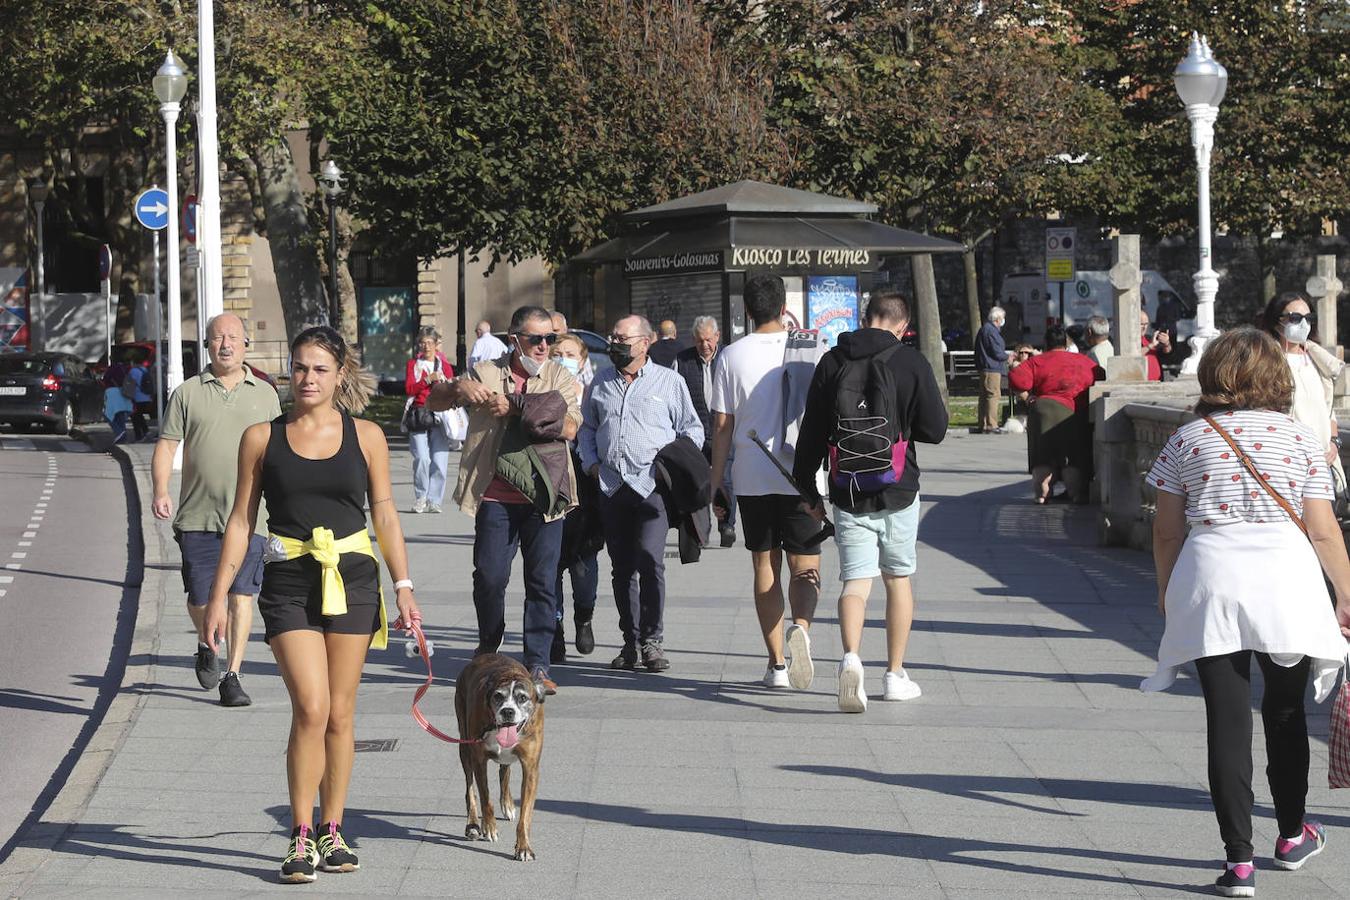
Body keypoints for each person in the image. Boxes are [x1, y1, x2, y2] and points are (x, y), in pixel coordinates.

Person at [202, 325, 420, 882]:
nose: (307, 378)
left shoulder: (366, 435)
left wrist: (404, 586)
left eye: (320, 369)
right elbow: (242, 520)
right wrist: (220, 595)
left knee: (342, 713)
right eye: (300, 367)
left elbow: (386, 514)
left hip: (353, 577)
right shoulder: (262, 438)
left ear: (340, 374)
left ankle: (333, 827)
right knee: (312, 708)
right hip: (289, 582)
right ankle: (300, 838)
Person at [1142, 327, 1350, 897]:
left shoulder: (1187, 440)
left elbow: (1165, 531)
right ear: (1277, 378)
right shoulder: (1302, 440)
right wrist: (1348, 594)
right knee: (1284, 713)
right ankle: (1291, 834)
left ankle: (1238, 862)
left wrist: (1166, 588)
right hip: (1286, 578)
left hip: (1211, 577)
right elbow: (1323, 530)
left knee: (1225, 722)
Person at [793, 288, 947, 712]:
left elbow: (810, 436)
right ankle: (895, 674)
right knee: (898, 579)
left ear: (866, 316)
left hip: (847, 488)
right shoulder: (911, 361)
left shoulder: (833, 360)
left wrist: (808, 488)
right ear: (903, 325)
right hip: (898, 487)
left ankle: (850, 658)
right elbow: (935, 430)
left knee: (856, 582)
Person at [429, 305, 579, 694]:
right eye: (536, 339)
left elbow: (570, 426)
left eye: (551, 339)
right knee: (490, 578)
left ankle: (538, 664)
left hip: (545, 494)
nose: (545, 346)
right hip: (495, 495)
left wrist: (517, 406)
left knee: (542, 581)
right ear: (515, 340)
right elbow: (435, 401)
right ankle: (489, 644)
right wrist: (459, 388)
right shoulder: (488, 372)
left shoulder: (560, 375)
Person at [152, 313, 282, 706]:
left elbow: (280, 453)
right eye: (216, 338)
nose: (225, 344)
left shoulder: (265, 393)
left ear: (246, 344)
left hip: (250, 515)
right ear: (206, 345)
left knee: (242, 596)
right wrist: (160, 488)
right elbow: (167, 445)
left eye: (232, 337)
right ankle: (206, 642)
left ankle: (232, 674)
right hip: (198, 514)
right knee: (202, 599)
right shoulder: (187, 393)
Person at [709, 274, 826, 689]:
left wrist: (716, 480)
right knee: (805, 563)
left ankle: (776, 664)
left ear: (746, 311)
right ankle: (803, 630)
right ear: (784, 309)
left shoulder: (730, 356)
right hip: (804, 474)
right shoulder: (812, 349)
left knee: (765, 564)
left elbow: (722, 425)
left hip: (752, 474)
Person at [580, 315, 703, 672]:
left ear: (645, 343)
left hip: (652, 488)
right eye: (612, 337)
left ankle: (652, 640)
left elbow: (692, 430)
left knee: (651, 560)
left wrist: (673, 464)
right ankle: (630, 642)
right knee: (622, 569)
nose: (615, 343)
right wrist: (590, 462)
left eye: (623, 338)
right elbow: (587, 428)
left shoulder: (669, 382)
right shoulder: (600, 383)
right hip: (612, 486)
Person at [548, 332, 600, 660]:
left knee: (584, 566)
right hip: (550, 486)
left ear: (581, 360)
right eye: (558, 352)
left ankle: (584, 615)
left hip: (584, 488)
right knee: (548, 564)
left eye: (569, 353)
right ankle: (554, 630)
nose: (563, 357)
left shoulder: (592, 393)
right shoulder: (542, 389)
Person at [1008, 324, 1101, 504]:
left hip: (1042, 410)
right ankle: (1075, 494)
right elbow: (1101, 376)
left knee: (1042, 458)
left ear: (1045, 343)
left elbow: (1018, 380)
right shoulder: (1082, 361)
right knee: (1071, 457)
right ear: (1065, 343)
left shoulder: (1037, 361)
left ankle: (1042, 495)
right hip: (1072, 413)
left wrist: (1015, 370)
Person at [1260, 292, 1343, 488]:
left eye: (1309, 318)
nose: (1303, 324)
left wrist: (1333, 443)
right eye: (1295, 318)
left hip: (1324, 465)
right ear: (1276, 321)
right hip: (1287, 467)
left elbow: (1328, 409)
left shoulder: (1319, 361)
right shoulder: (1265, 363)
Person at [673, 315, 737, 547]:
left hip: (724, 430)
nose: (705, 345)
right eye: (700, 341)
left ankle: (727, 524)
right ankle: (702, 529)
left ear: (717, 336)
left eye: (709, 340)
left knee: (726, 480)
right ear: (693, 339)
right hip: (694, 433)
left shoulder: (729, 357)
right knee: (698, 482)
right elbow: (675, 396)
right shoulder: (682, 361)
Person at [404, 326, 455, 513]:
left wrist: (442, 383)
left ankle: (435, 500)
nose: (426, 346)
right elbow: (409, 389)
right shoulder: (413, 364)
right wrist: (426, 381)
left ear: (436, 344)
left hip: (440, 414)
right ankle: (421, 497)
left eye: (429, 343)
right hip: (419, 413)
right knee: (422, 459)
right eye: (422, 343)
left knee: (440, 459)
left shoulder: (444, 365)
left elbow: (452, 387)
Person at [974, 306, 1010, 434]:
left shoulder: (984, 329)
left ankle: (983, 423)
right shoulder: (991, 331)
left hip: (985, 367)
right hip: (992, 368)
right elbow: (997, 352)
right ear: (998, 318)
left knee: (984, 396)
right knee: (993, 395)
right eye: (1003, 318)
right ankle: (991, 424)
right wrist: (1008, 357)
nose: (1003, 320)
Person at [1141, 309, 1169, 381]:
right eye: (1141, 324)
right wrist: (1151, 345)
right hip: (1142, 384)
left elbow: (1167, 353)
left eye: (1146, 324)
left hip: (1158, 382)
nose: (1144, 327)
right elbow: (1133, 355)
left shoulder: (1149, 338)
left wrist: (1166, 343)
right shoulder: (1130, 341)